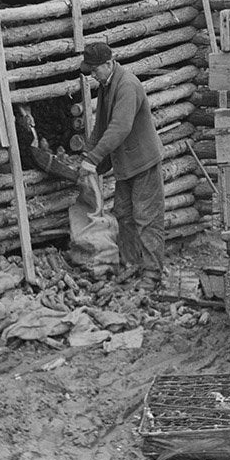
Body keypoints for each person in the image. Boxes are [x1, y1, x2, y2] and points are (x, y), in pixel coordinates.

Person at [76, 42, 166, 288]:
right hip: (125, 164)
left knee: (147, 217)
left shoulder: (127, 85)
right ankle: (132, 265)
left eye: (95, 70)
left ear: (109, 63)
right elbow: (100, 127)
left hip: (143, 161)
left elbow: (120, 128)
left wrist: (94, 160)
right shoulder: (106, 86)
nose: (93, 75)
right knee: (124, 215)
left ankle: (152, 274)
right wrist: (87, 155)